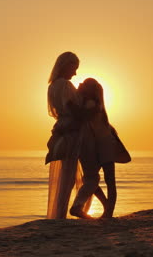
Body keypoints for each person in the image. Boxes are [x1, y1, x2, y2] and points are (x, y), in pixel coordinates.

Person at [69, 78, 131, 218]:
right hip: (96, 144)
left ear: (90, 90)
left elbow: (80, 116)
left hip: (104, 143)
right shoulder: (89, 102)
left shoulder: (92, 104)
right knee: (93, 179)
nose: (80, 85)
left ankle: (108, 211)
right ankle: (106, 207)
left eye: (84, 84)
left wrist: (70, 104)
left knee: (107, 179)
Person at [45, 52, 95, 219]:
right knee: (69, 177)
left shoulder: (52, 86)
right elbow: (74, 110)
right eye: (74, 68)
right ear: (65, 65)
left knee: (69, 176)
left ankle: (62, 214)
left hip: (64, 128)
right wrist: (90, 111)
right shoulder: (64, 85)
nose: (75, 73)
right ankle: (62, 214)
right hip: (72, 131)